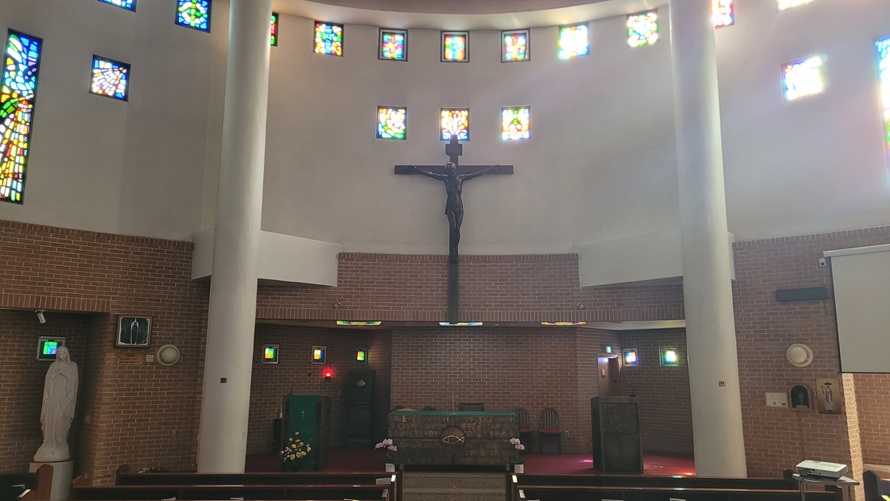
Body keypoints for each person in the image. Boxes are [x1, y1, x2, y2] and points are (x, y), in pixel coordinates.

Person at [411, 162, 501, 262]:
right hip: (450, 206)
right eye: (448, 171)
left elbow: (477, 174)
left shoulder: (461, 178)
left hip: (459, 206)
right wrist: (416, 169)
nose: (450, 172)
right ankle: (453, 251)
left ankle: (454, 248)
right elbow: (430, 174)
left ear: (454, 170)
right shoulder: (445, 179)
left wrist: (491, 168)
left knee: (457, 229)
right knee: (453, 227)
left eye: (451, 170)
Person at [34, 346, 79, 463]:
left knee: (61, 418)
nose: (61, 355)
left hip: (64, 397)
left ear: (67, 354)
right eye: (59, 353)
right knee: (50, 418)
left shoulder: (72, 365)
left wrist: (64, 374)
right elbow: (48, 379)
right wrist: (54, 376)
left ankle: (60, 442)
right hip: (53, 397)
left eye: (63, 353)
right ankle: (49, 442)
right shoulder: (53, 365)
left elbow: (74, 380)